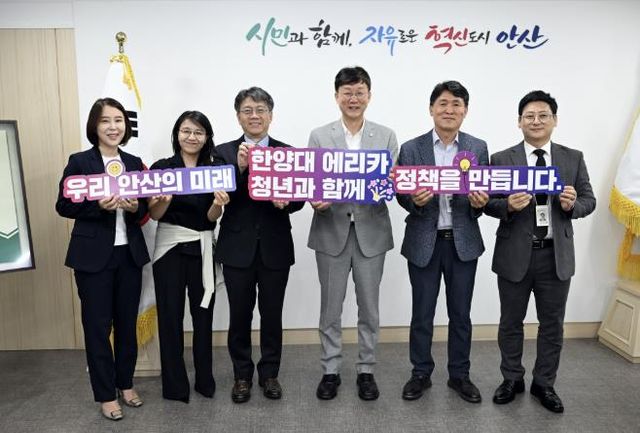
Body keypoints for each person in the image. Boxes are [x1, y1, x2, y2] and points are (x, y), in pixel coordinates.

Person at [484, 90, 595, 413]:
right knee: (510, 322)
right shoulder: (501, 159)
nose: (536, 121)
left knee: (552, 325)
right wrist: (507, 205)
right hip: (514, 254)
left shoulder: (572, 158)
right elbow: (487, 203)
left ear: (554, 120)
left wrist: (572, 205)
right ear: (519, 122)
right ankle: (511, 379)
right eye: (529, 116)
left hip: (555, 255)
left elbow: (589, 200)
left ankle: (544, 383)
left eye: (543, 115)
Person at [56, 97, 150, 421]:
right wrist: (97, 206)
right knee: (98, 327)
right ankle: (106, 394)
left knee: (127, 325)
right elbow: (63, 205)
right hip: (92, 258)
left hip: (129, 255)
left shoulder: (135, 162)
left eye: (119, 120)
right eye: (106, 121)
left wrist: (137, 207)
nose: (113, 127)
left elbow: (145, 206)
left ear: (126, 126)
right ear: (94, 126)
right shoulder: (80, 161)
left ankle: (125, 384)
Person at [307, 66, 398, 401]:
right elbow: (312, 181)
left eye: (360, 92)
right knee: (330, 308)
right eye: (347, 92)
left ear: (369, 96)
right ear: (337, 96)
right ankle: (330, 369)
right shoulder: (320, 136)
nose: (353, 98)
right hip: (330, 229)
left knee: (369, 308)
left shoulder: (386, 136)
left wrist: (387, 185)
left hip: (371, 232)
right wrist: (315, 198)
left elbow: (391, 184)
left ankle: (366, 370)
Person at [396, 81, 489, 403]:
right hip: (424, 241)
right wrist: (415, 201)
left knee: (460, 314)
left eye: (456, 104)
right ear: (431, 108)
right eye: (443, 104)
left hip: (463, 242)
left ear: (465, 110)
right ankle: (420, 373)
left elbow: (485, 193)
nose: (449, 110)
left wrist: (479, 204)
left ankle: (459, 375)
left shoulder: (477, 147)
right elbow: (401, 193)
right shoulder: (411, 148)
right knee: (422, 313)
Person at [213, 87, 304, 403]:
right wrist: (239, 169)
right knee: (239, 315)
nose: (255, 116)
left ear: (270, 115)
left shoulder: (287, 152)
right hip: (236, 248)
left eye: (261, 109)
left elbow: (299, 199)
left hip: (275, 247)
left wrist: (287, 202)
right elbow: (219, 196)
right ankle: (241, 376)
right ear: (238, 117)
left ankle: (269, 374)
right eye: (248, 110)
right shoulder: (223, 153)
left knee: (272, 314)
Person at [148, 111, 229, 403]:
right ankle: (174, 386)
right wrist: (164, 201)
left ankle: (205, 380)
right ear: (177, 134)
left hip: (202, 246)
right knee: (170, 317)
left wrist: (219, 204)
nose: (191, 137)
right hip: (169, 248)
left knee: (203, 316)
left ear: (206, 137)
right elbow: (154, 214)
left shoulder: (216, 169)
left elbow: (211, 218)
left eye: (198, 132)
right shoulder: (162, 168)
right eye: (186, 131)